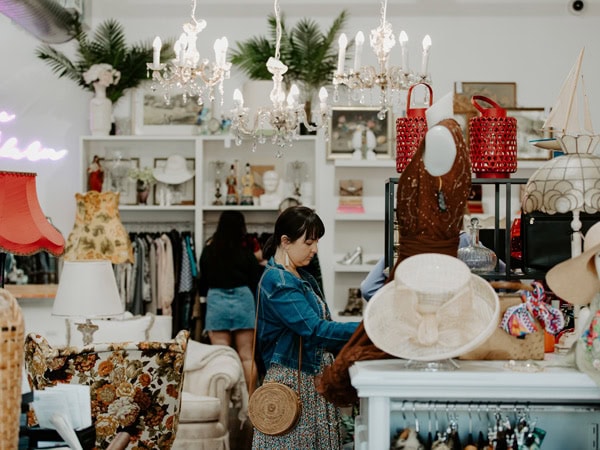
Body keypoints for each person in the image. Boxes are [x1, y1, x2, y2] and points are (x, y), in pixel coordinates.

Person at [318, 91, 473, 406]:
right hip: (428, 266)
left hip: (422, 269)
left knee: (412, 336)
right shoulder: (452, 141)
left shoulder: (441, 136)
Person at [253, 206, 359, 449]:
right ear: (285, 241)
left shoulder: (303, 278)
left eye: (317, 241)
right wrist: (366, 329)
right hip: (294, 381)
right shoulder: (278, 281)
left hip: (312, 378)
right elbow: (314, 329)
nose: (315, 249)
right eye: (309, 242)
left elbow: (325, 328)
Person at [198, 210, 264, 394]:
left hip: (217, 300)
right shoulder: (246, 252)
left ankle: (223, 403)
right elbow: (254, 280)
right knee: (247, 357)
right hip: (243, 300)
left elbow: (203, 281)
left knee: (220, 357)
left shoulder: (209, 250)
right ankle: (252, 406)